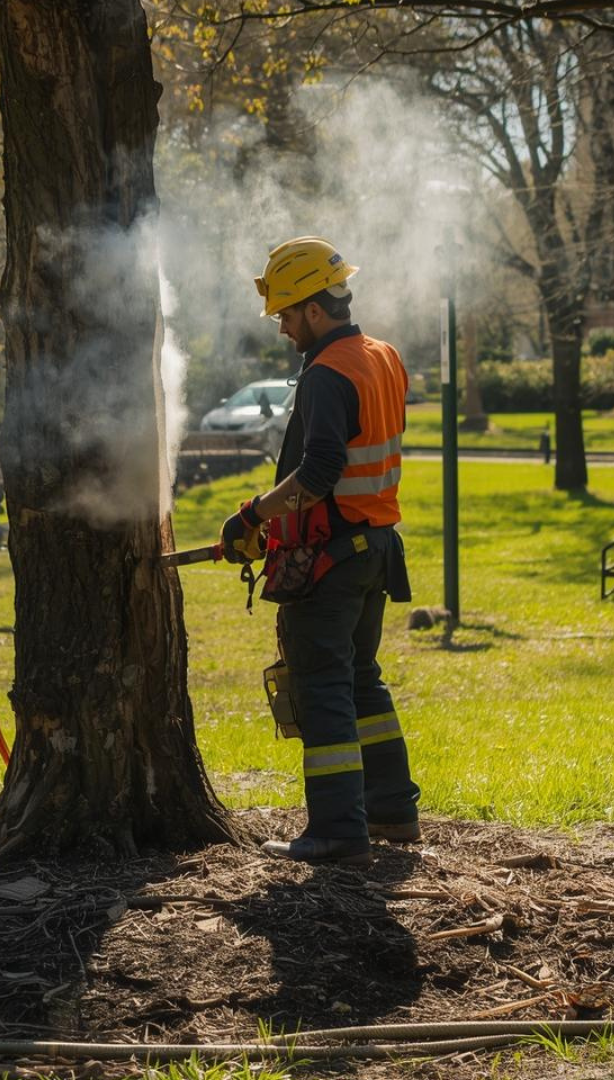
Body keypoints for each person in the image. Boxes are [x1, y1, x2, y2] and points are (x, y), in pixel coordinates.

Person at [219, 237, 421, 866]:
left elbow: (320, 470)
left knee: (324, 687)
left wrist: (254, 514)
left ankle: (337, 831)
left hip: (333, 555)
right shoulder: (382, 355)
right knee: (362, 680)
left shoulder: (327, 373)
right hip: (375, 547)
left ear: (313, 307)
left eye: (286, 314)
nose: (282, 328)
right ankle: (392, 809)